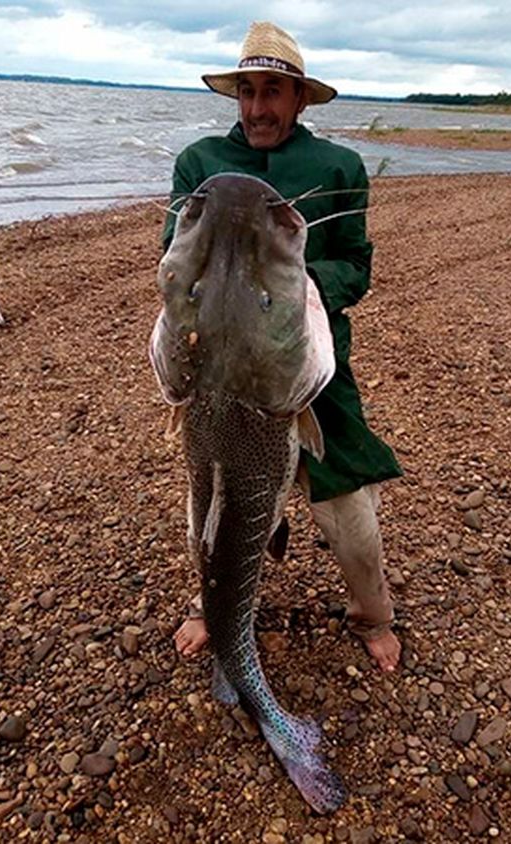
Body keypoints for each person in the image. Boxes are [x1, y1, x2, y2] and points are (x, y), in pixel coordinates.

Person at [161, 21, 405, 671]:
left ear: (300, 100)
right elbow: (174, 258)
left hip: (310, 366)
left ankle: (372, 612)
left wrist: (294, 287)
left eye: (273, 91)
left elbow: (356, 267)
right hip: (215, 366)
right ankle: (209, 604)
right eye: (247, 90)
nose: (258, 107)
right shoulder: (199, 163)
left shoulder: (339, 167)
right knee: (207, 502)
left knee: (347, 508)